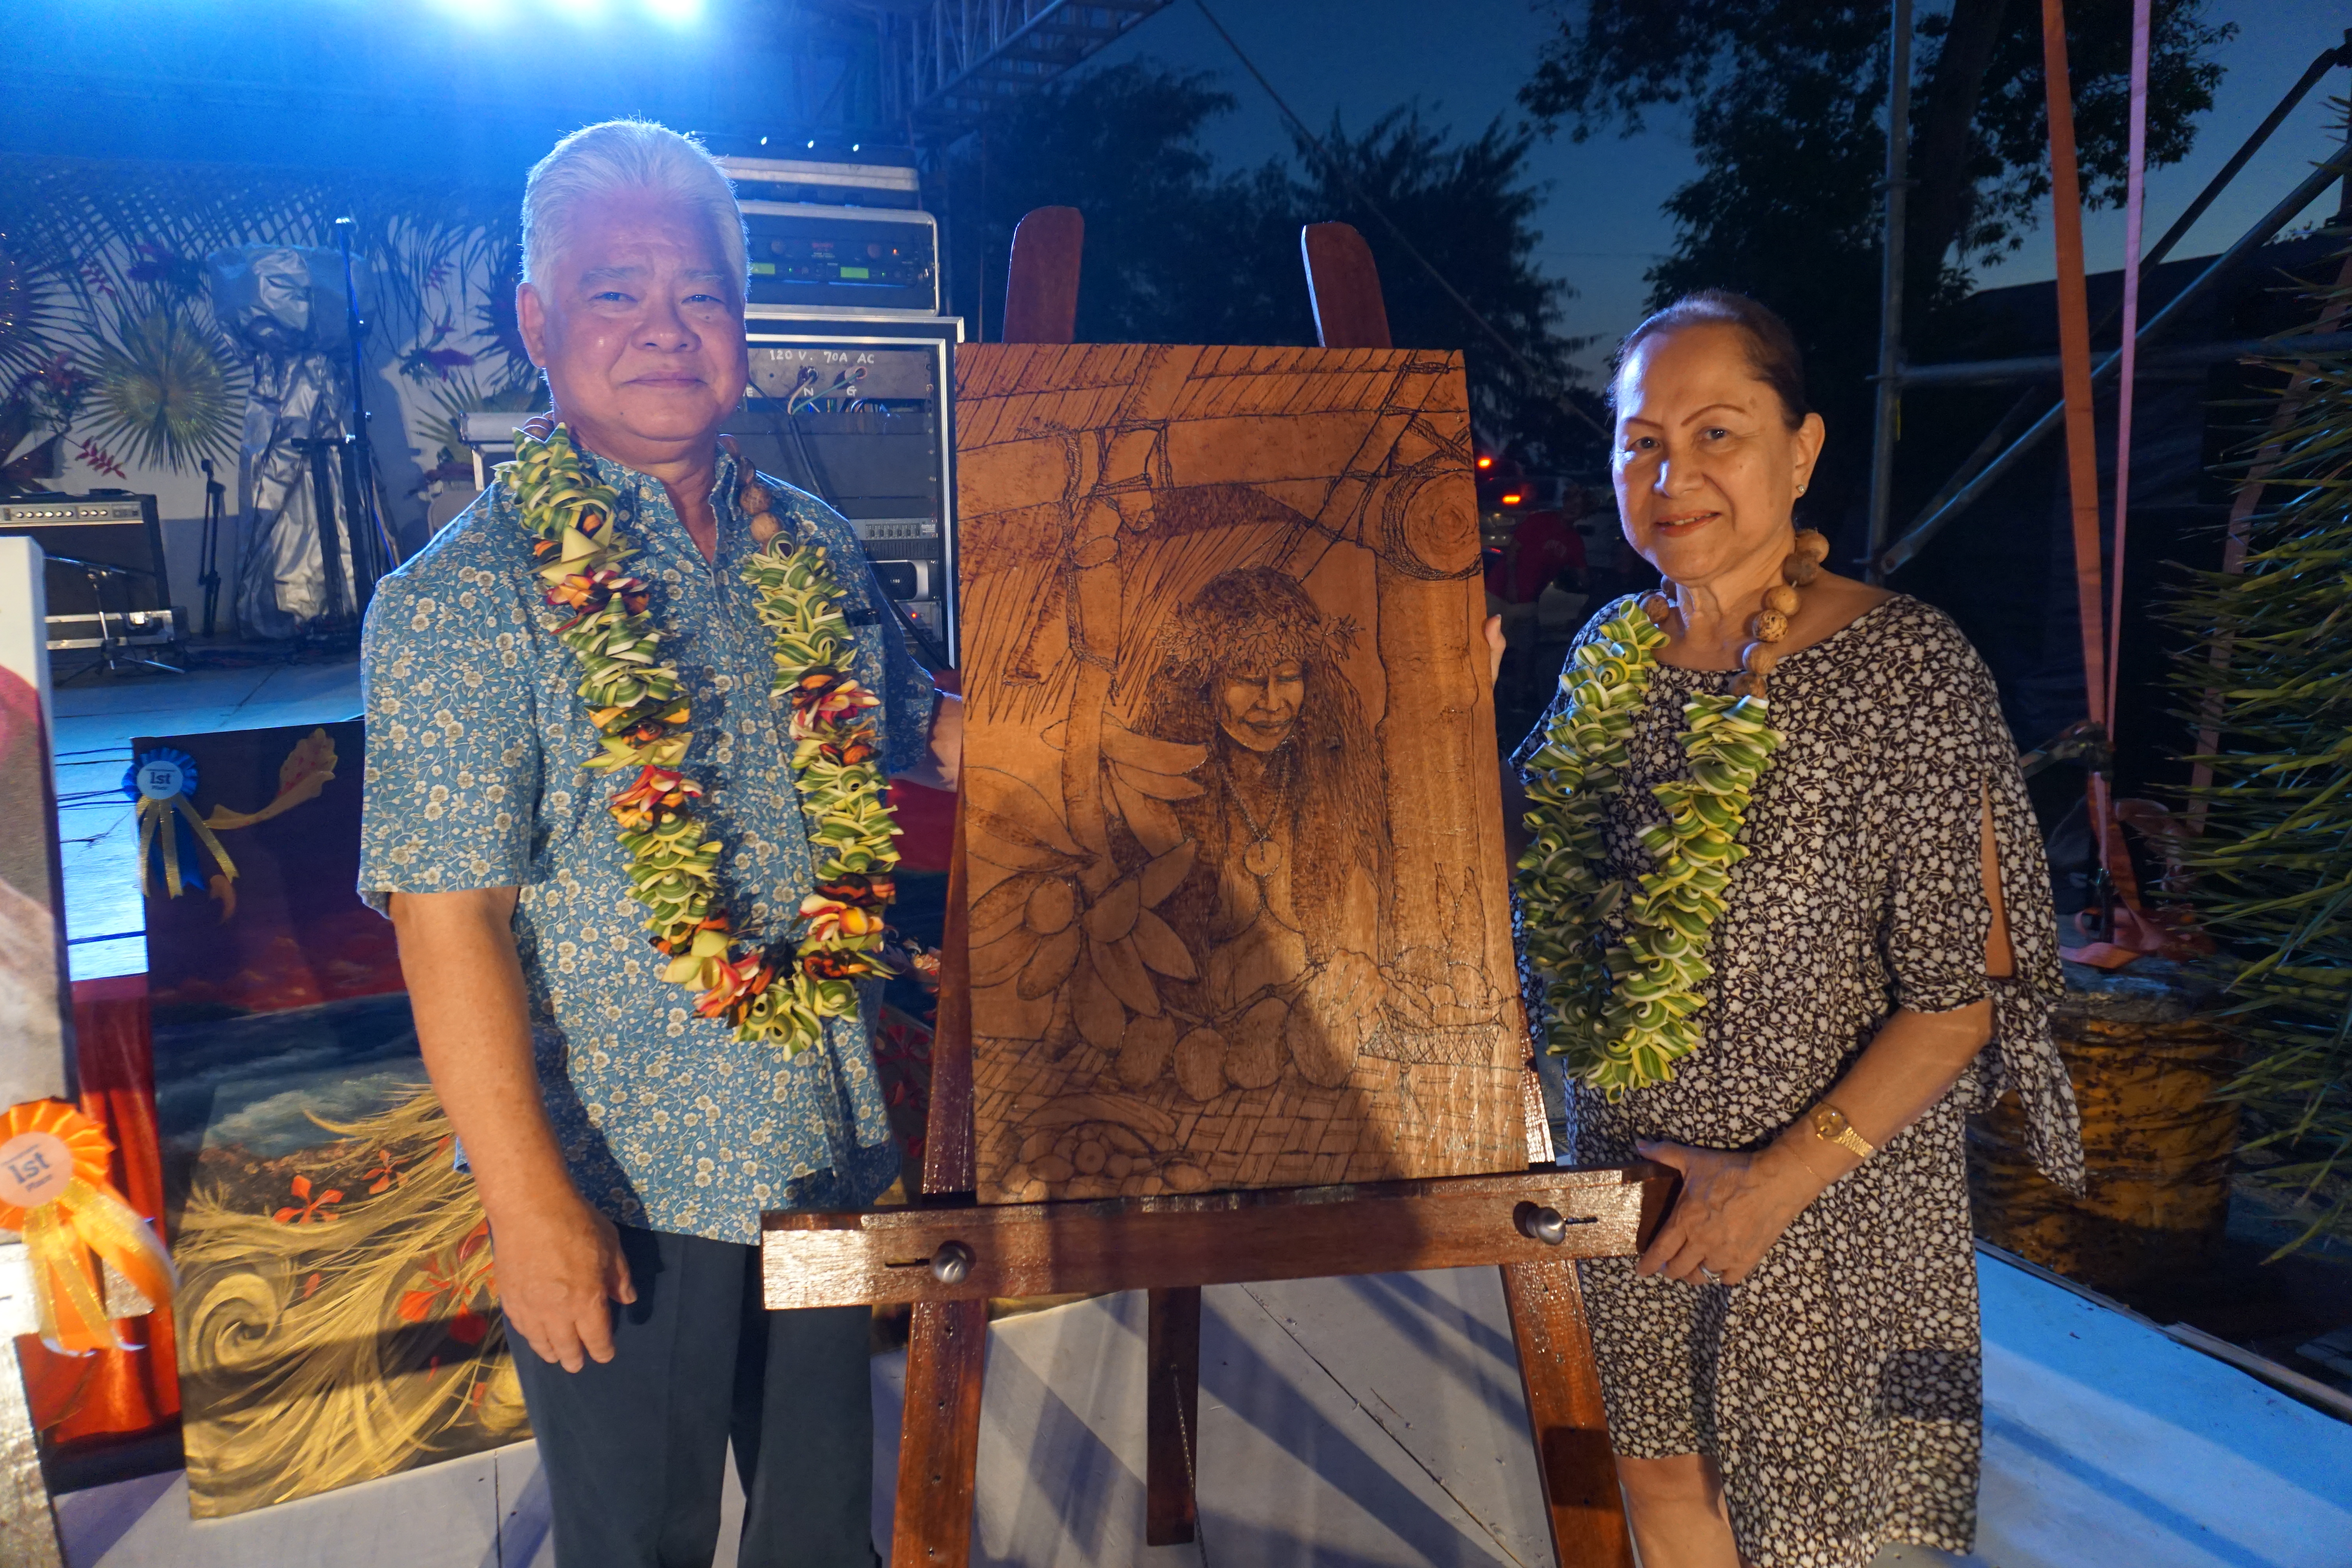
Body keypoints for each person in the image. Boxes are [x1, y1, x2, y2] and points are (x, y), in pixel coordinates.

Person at [358, 120, 959, 1568]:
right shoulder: (462, 601)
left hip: (817, 1143)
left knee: (824, 1534)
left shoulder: (812, 544)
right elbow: (447, 920)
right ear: (536, 323)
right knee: (639, 1544)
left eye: (700, 294)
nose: (665, 330)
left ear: (743, 324)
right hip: (623, 1178)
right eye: (614, 292)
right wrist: (528, 1205)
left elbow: (929, 735)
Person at [1505, 290, 2081, 1568]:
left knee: (1814, 1527)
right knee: (1662, 1478)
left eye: (1717, 434)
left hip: (1826, 1208)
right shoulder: (1609, 653)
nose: (1674, 477)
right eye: (1643, 443)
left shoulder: (1906, 669)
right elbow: (1510, 840)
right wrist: (1436, 690)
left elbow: (1962, 999)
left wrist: (1773, 1184)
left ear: (1802, 449)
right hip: (1631, 1183)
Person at [1134, 566, 1386, 1094]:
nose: (1272, 703)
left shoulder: (1335, 780)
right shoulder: (1158, 792)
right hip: (1202, 1030)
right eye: (1248, 679)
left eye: (1288, 677)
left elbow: (1367, 922)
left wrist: (1358, 968)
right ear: (1205, 683)